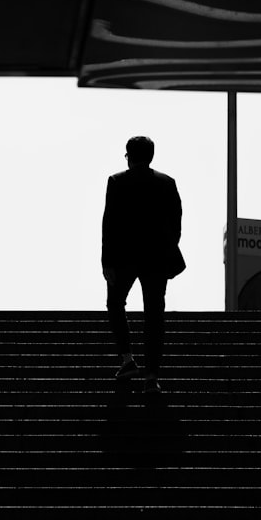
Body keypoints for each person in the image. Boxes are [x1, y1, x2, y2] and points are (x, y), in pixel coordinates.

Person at [102, 136, 184, 394]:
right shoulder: (166, 183)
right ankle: (152, 377)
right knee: (154, 315)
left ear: (128, 155)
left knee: (115, 303)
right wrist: (168, 249)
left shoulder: (117, 182)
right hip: (156, 258)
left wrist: (107, 261)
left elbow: (109, 224)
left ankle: (127, 359)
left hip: (124, 257)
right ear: (151, 155)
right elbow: (176, 222)